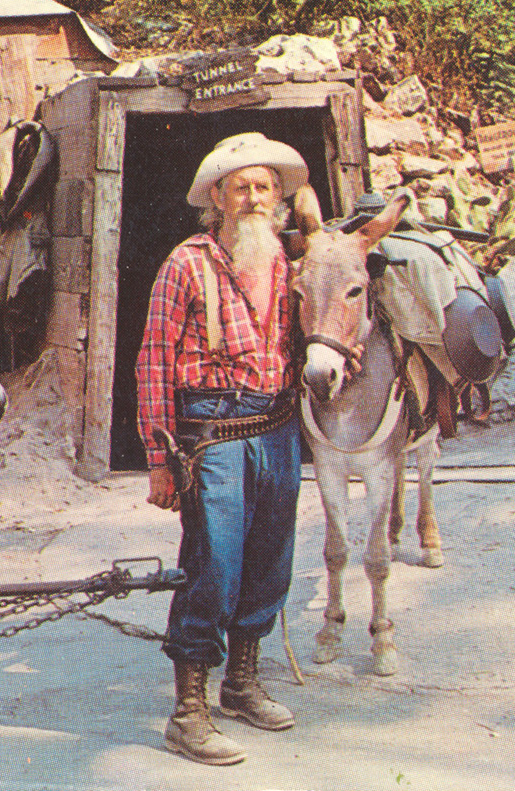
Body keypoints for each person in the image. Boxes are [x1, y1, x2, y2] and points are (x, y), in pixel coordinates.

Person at [135, 132, 308, 766]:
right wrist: (160, 458)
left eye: (265, 188)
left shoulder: (288, 261)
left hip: (277, 425)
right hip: (213, 430)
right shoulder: (186, 263)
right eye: (242, 188)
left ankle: (241, 684)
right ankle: (189, 713)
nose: (255, 198)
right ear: (217, 197)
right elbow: (153, 361)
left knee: (270, 559)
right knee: (214, 563)